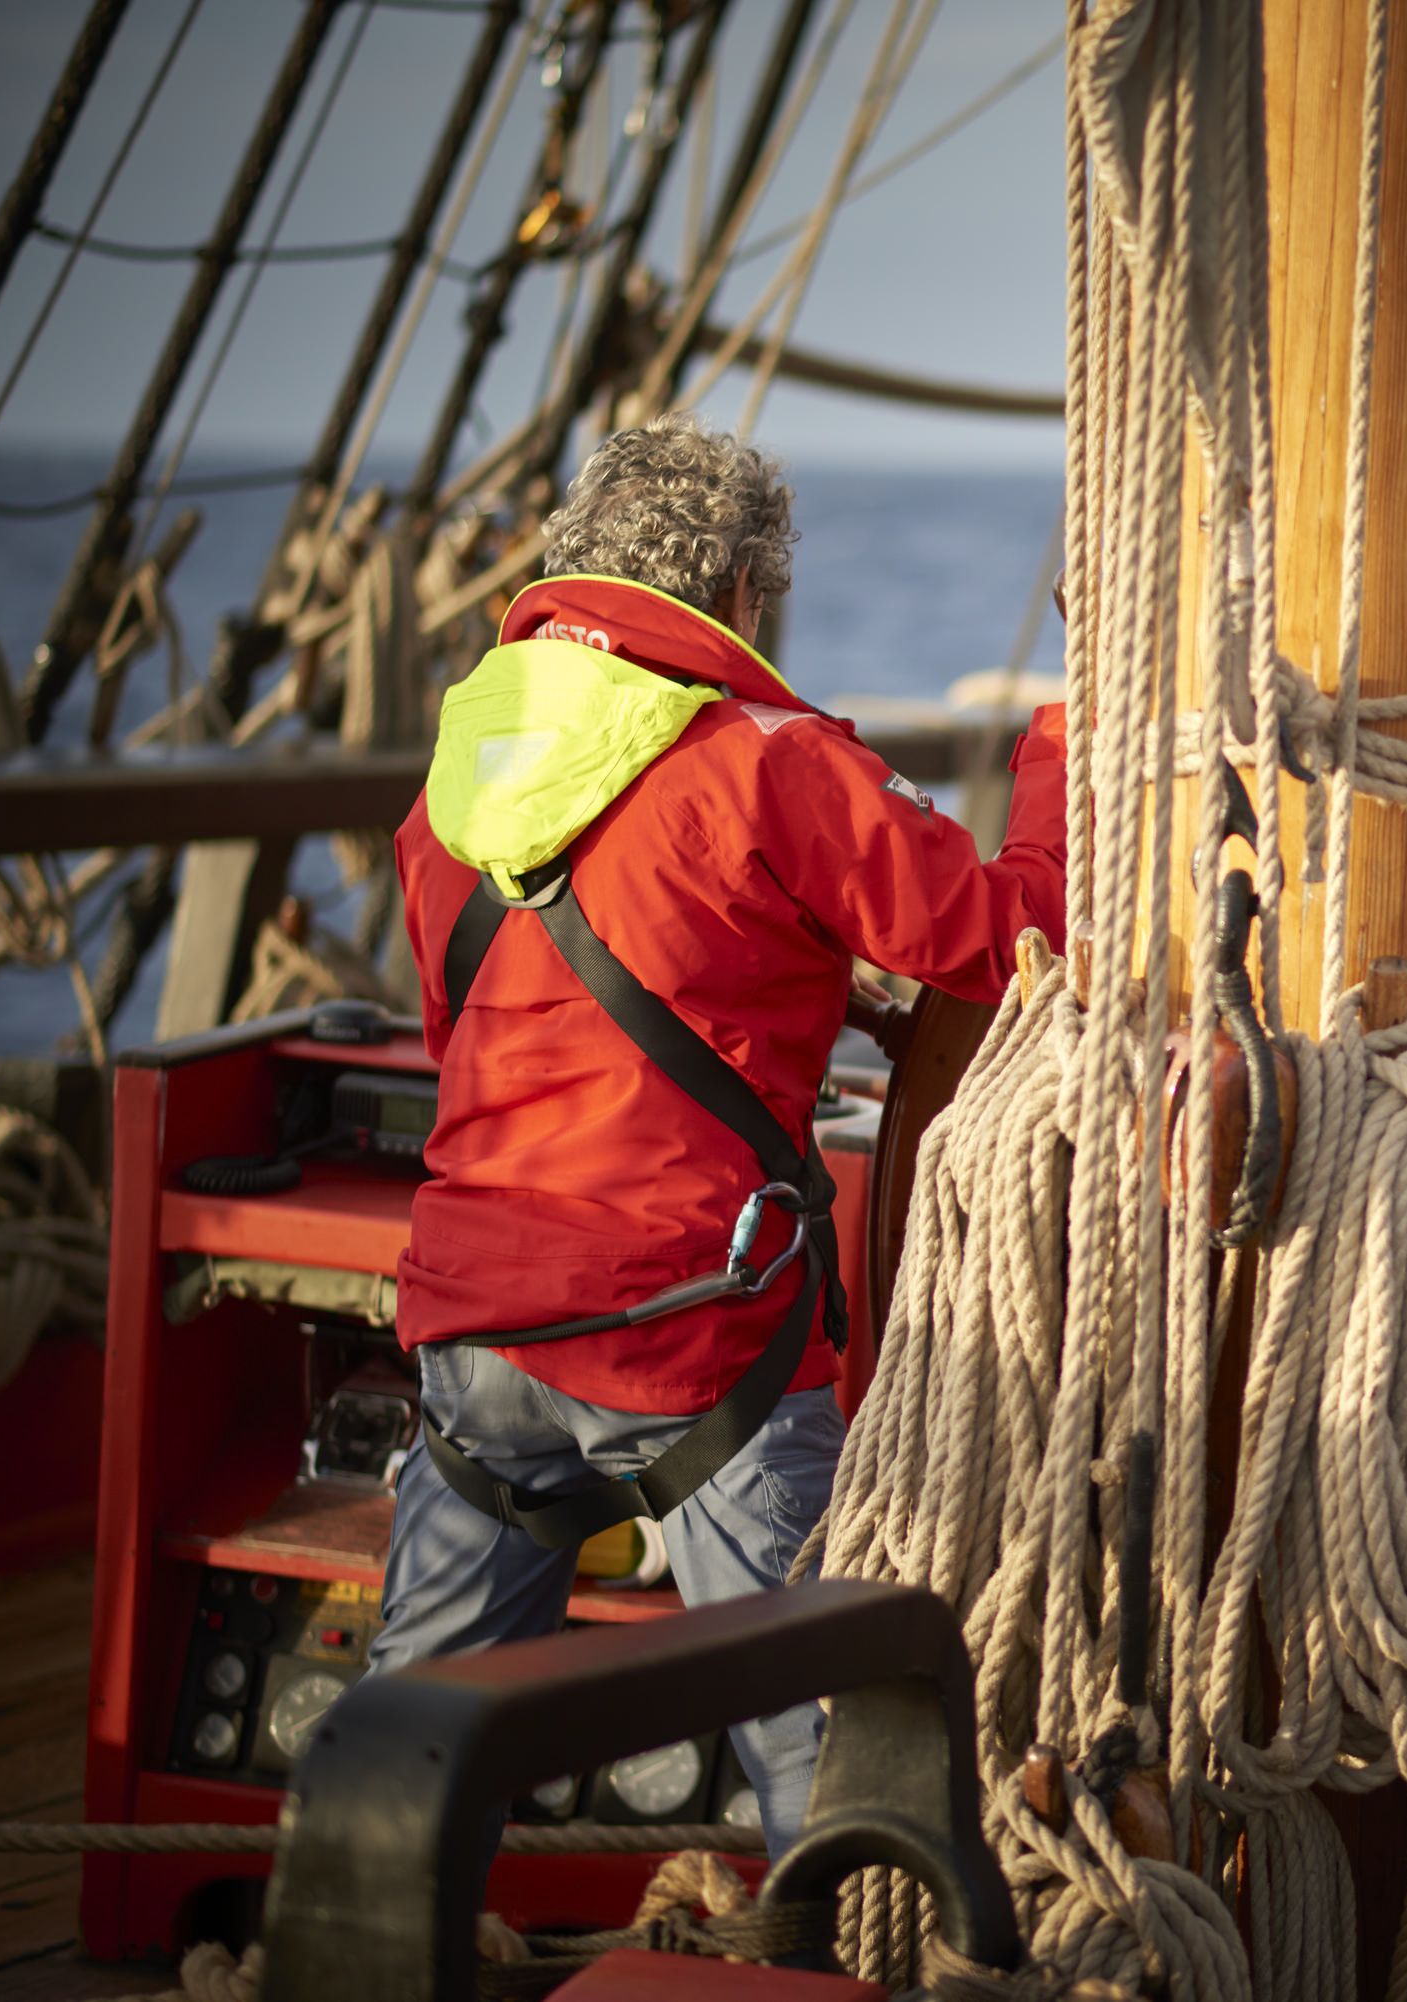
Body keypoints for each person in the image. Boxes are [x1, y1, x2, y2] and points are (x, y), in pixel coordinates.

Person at [372, 414, 1069, 1846]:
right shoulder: (771, 763)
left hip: (474, 1330)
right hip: (691, 1337)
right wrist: (1072, 728)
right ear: (745, 588)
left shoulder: (455, 792)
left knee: (408, 1751)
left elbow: (488, 1046)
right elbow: (1017, 939)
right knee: (828, 1766)